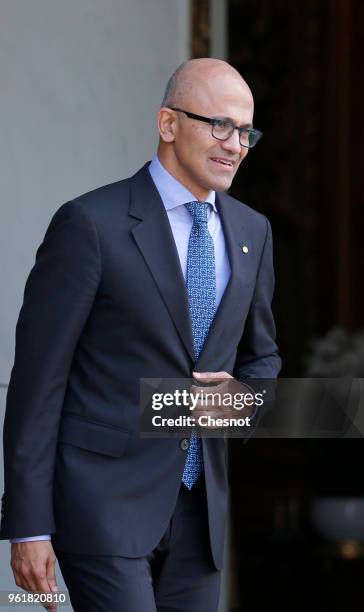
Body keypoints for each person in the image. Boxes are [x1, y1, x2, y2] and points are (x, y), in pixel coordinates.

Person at [1, 58, 281, 611]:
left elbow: (263, 358)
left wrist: (239, 405)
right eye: (218, 125)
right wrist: (27, 526)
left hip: (201, 519)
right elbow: (38, 383)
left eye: (246, 132)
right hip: (101, 508)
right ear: (168, 124)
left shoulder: (253, 231)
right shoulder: (90, 225)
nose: (235, 145)